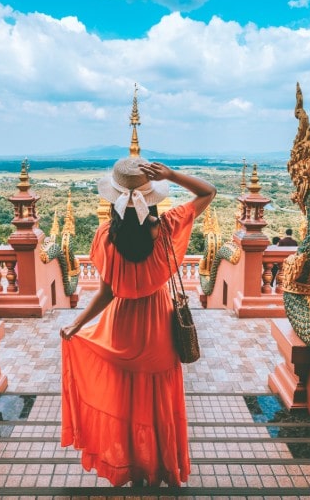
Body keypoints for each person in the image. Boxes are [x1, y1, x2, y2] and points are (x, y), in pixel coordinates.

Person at [60, 157, 216, 487]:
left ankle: (132, 467)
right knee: (156, 402)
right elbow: (208, 192)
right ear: (153, 197)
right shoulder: (170, 227)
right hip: (158, 324)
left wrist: (77, 324)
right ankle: (158, 467)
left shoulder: (106, 237)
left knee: (126, 402)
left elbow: (106, 293)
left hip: (121, 326)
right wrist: (172, 174)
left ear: (113, 199)